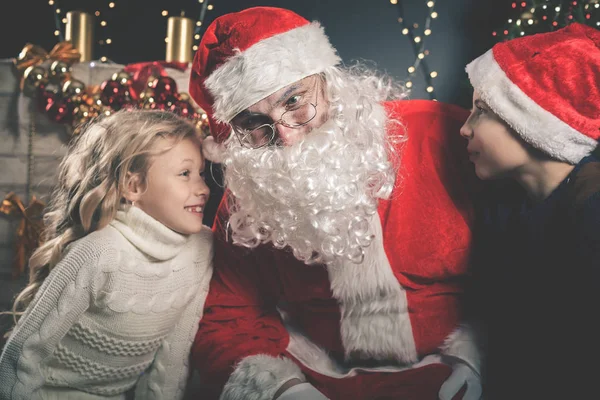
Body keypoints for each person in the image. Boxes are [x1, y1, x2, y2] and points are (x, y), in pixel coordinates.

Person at [188, 6, 482, 400]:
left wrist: (478, 354)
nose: (286, 137)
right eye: (253, 125)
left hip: (454, 372)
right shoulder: (249, 192)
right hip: (320, 380)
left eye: (294, 101)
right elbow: (226, 319)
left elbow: (528, 262)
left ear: (329, 82)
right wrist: (283, 389)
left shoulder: (440, 131)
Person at [0, 109, 214, 400]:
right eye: (185, 174)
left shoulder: (201, 249)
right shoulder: (97, 254)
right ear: (134, 185)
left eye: (200, 173)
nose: (202, 188)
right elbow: (23, 355)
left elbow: (173, 359)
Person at [460, 22, 600, 400]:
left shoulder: (591, 216)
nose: (464, 129)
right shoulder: (504, 211)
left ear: (534, 120)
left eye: (482, 111)